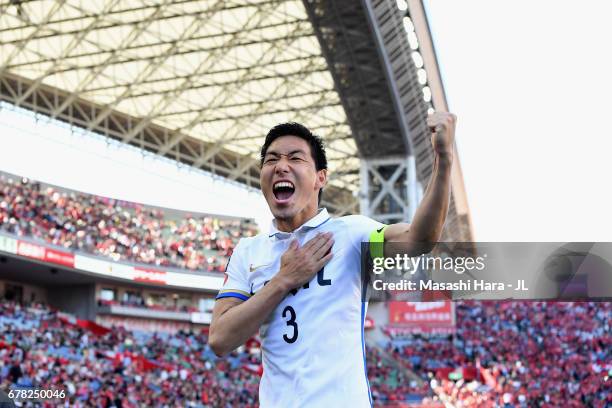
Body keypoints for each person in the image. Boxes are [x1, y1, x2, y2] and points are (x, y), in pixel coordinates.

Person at [209, 113, 456, 407]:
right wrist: (282, 281)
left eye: (295, 158)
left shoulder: (353, 234)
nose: (281, 166)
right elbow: (220, 339)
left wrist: (443, 160)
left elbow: (420, 240)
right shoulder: (248, 251)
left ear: (320, 177)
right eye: (271, 159)